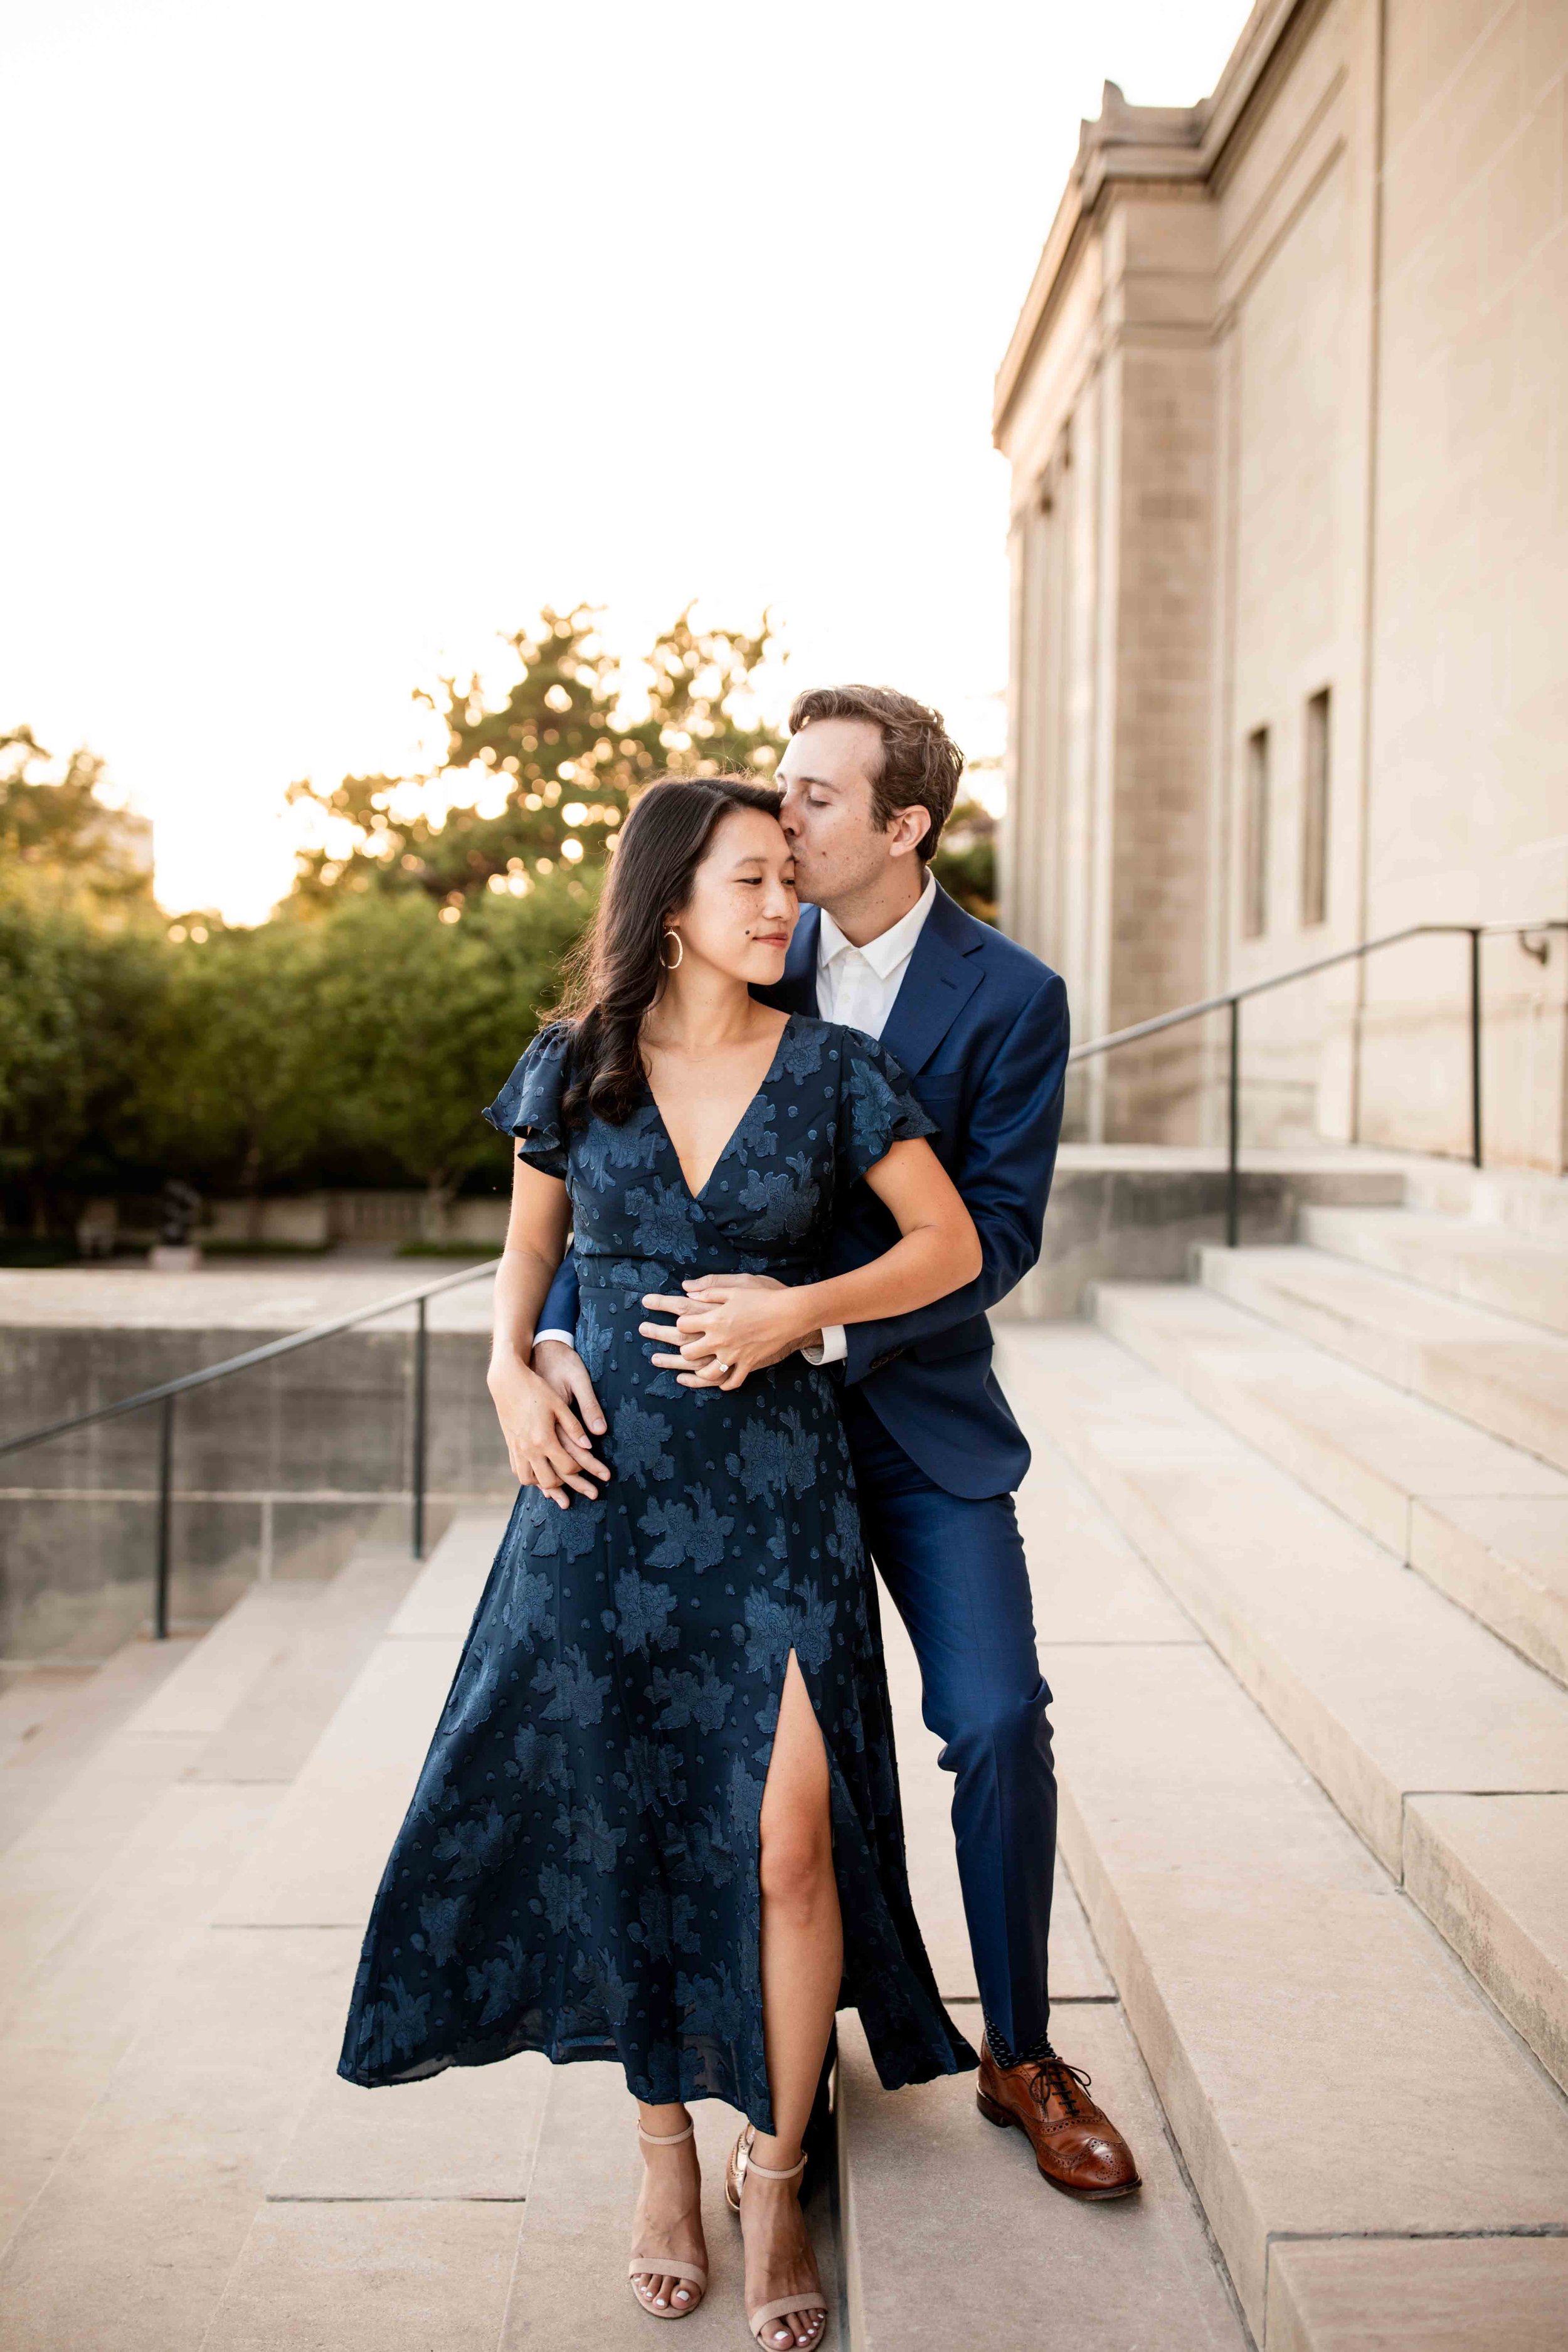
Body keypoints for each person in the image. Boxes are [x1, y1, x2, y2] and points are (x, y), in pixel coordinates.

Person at [338, 774, 982, 2349]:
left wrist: (794, 1309)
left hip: (773, 1489)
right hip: (602, 1492)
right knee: (625, 1819)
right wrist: (505, 1369)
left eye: (787, 878)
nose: (783, 907)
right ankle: (660, 2159)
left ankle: (776, 2171)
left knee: (785, 1845)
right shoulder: (574, 1066)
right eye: (753, 881)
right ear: (668, 902)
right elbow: (530, 1253)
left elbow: (947, 1247)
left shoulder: (836, 1070)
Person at [534, 686, 1142, 2200]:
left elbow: (991, 1239)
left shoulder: (1012, 997)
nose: (780, 816)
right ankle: (769, 2072)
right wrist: (540, 1340)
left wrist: (812, 1321)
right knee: (752, 1777)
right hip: (727, 1456)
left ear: (901, 824)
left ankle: (1019, 2050)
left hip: (910, 1418)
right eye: (780, 794)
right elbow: (606, 1167)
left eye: (812, 795)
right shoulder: (735, 933)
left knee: (996, 1718)